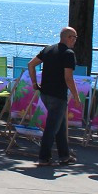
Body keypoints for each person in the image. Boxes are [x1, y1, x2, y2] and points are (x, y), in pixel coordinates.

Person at [28, 27, 81, 167]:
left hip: (45, 94)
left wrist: (34, 83)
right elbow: (68, 78)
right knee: (51, 128)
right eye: (74, 37)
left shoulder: (48, 49)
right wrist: (76, 96)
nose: (75, 41)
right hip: (58, 96)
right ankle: (44, 158)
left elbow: (31, 64)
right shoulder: (69, 54)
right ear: (69, 38)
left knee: (60, 125)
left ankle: (64, 156)